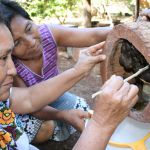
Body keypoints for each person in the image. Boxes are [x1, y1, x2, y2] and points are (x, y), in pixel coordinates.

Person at [0, 11, 139, 149]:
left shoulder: (48, 34)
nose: (30, 42)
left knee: (81, 109)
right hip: (32, 112)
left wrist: (135, 28)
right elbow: (31, 106)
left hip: (44, 101)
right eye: (3, 58)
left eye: (29, 28)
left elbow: (28, 99)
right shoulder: (14, 71)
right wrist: (100, 125)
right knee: (46, 128)